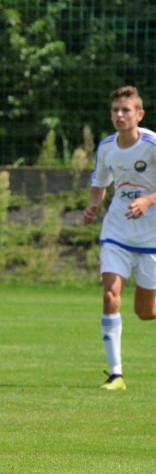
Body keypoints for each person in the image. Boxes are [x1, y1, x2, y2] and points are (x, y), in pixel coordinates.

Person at [83, 85, 156, 391]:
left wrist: (148, 201)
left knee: (145, 312)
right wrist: (94, 204)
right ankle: (116, 374)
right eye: (115, 110)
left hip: (151, 236)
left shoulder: (152, 144)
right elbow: (101, 179)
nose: (119, 115)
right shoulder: (107, 147)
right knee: (110, 295)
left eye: (126, 110)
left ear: (139, 114)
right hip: (116, 232)